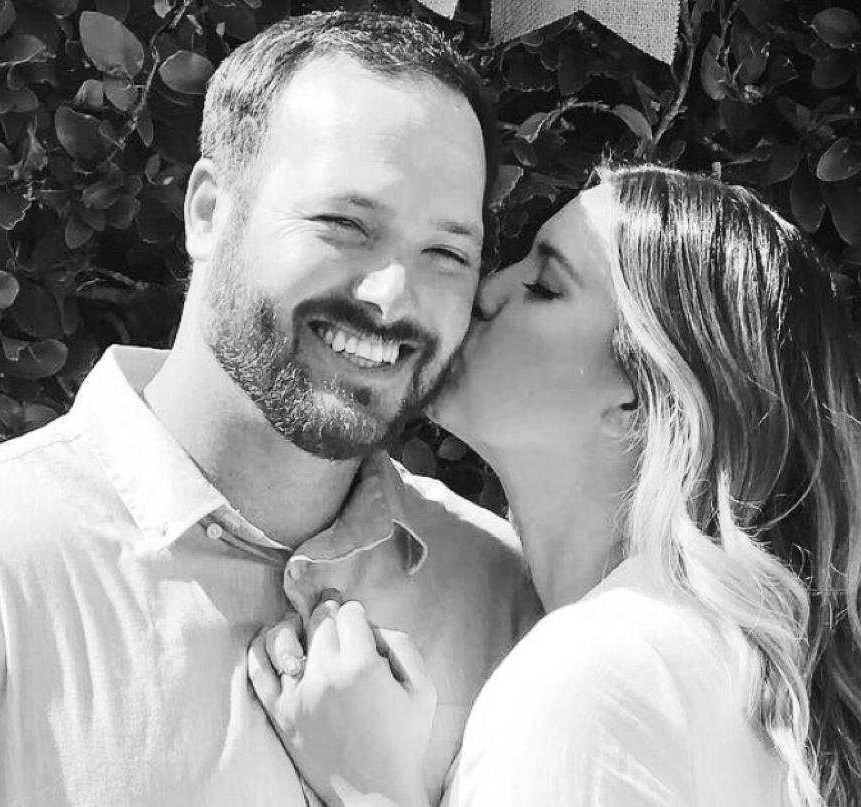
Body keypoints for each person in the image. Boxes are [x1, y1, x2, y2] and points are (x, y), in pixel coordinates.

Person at [0, 10, 541, 807]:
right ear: (208, 211)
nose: (391, 295)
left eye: (445, 252)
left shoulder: (511, 605)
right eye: (344, 224)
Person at [248, 165, 861, 807]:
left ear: (639, 398)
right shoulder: (727, 677)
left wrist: (369, 786)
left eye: (544, 287)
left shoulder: (593, 680)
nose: (486, 291)